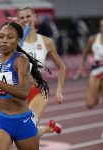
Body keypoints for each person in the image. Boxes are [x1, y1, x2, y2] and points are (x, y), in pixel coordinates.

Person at [0, 22, 50, 150]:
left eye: (9, 37)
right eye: (1, 37)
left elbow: (23, 93)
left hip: (22, 121)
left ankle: (45, 129)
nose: (4, 41)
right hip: (1, 120)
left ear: (18, 40)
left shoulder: (21, 60)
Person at [16, 6, 65, 137]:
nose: (25, 19)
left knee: (26, 131)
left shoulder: (46, 41)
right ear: (18, 20)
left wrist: (59, 90)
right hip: (18, 92)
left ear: (34, 17)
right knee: (17, 132)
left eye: (28, 16)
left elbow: (61, 66)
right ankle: (48, 128)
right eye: (22, 17)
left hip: (38, 90)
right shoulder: (14, 42)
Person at [75, 19, 103, 108]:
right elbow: (84, 54)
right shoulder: (93, 39)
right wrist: (80, 69)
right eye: (101, 26)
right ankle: (98, 95)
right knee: (89, 104)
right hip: (96, 70)